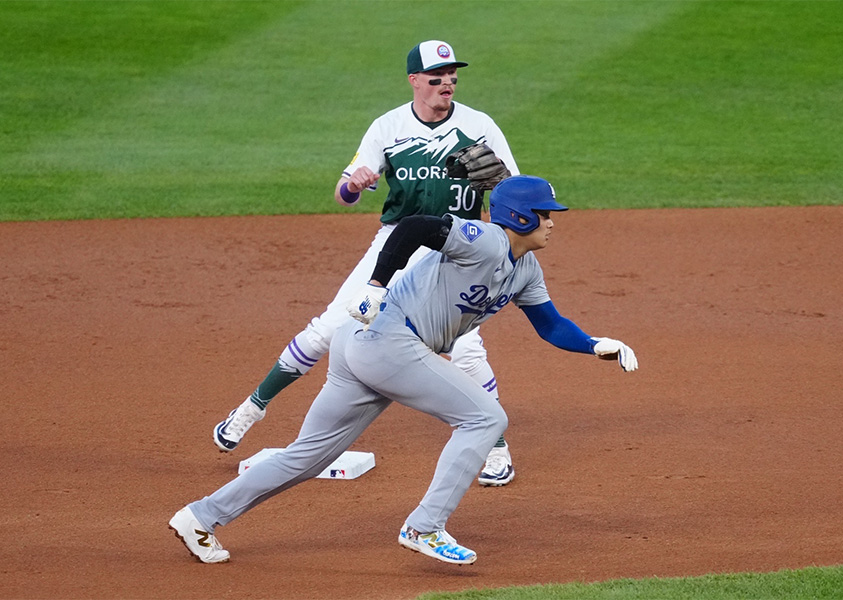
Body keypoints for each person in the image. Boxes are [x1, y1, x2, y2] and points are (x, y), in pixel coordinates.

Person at [170, 175, 639, 565]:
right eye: (545, 213)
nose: (552, 221)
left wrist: (596, 343)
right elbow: (414, 225)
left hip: (367, 348)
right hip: (387, 339)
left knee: (307, 456)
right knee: (486, 418)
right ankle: (424, 528)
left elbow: (551, 325)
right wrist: (376, 282)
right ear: (519, 217)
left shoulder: (525, 267)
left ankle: (200, 516)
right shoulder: (487, 240)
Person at [212, 40, 522, 486]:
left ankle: (496, 449)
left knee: (466, 350)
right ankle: (251, 408)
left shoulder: (480, 126)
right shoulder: (388, 127)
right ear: (415, 80)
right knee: (328, 327)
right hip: (396, 242)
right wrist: (355, 184)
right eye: (437, 77)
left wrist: (498, 181)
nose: (446, 83)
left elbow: (513, 189)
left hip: (457, 246)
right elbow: (343, 194)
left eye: (452, 76)